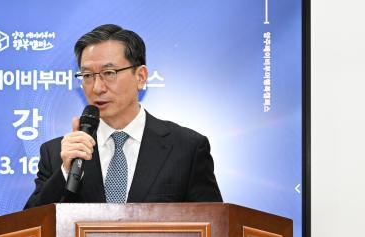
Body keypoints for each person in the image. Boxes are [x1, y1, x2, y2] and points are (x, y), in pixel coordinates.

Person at [24, 24, 222, 208]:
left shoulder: (187, 148)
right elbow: (31, 226)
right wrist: (65, 172)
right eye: (87, 76)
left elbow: (213, 226)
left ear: (141, 77)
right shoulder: (57, 154)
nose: (97, 88)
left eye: (109, 72)